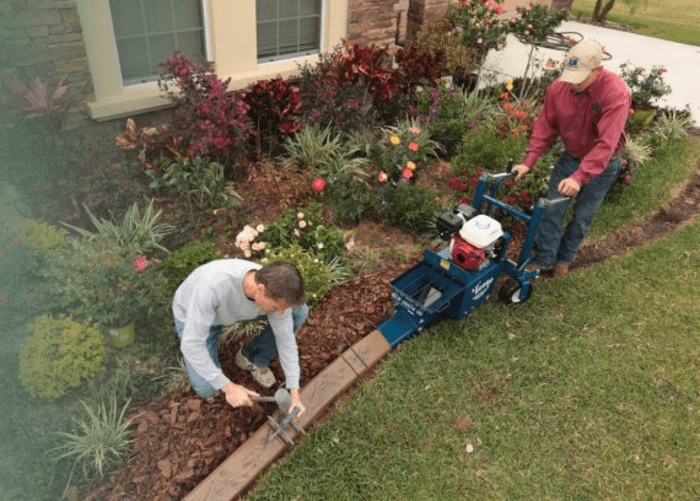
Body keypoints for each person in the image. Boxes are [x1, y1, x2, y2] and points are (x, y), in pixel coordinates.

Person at [512, 42, 631, 277]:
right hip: (570, 157)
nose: (573, 82)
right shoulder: (558, 89)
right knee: (551, 210)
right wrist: (529, 161)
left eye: (581, 77)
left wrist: (579, 177)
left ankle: (564, 259)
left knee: (581, 217)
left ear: (597, 70)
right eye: (571, 75)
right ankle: (545, 259)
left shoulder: (616, 93)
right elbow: (545, 127)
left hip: (603, 166)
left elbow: (606, 144)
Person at [173, 259, 308, 415]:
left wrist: (294, 390)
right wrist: (228, 387)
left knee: (297, 313)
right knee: (206, 388)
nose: (279, 312)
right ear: (259, 289)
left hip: (229, 311)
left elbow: (286, 341)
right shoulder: (212, 287)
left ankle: (251, 358)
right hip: (195, 316)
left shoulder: (272, 290)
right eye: (276, 307)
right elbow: (191, 345)